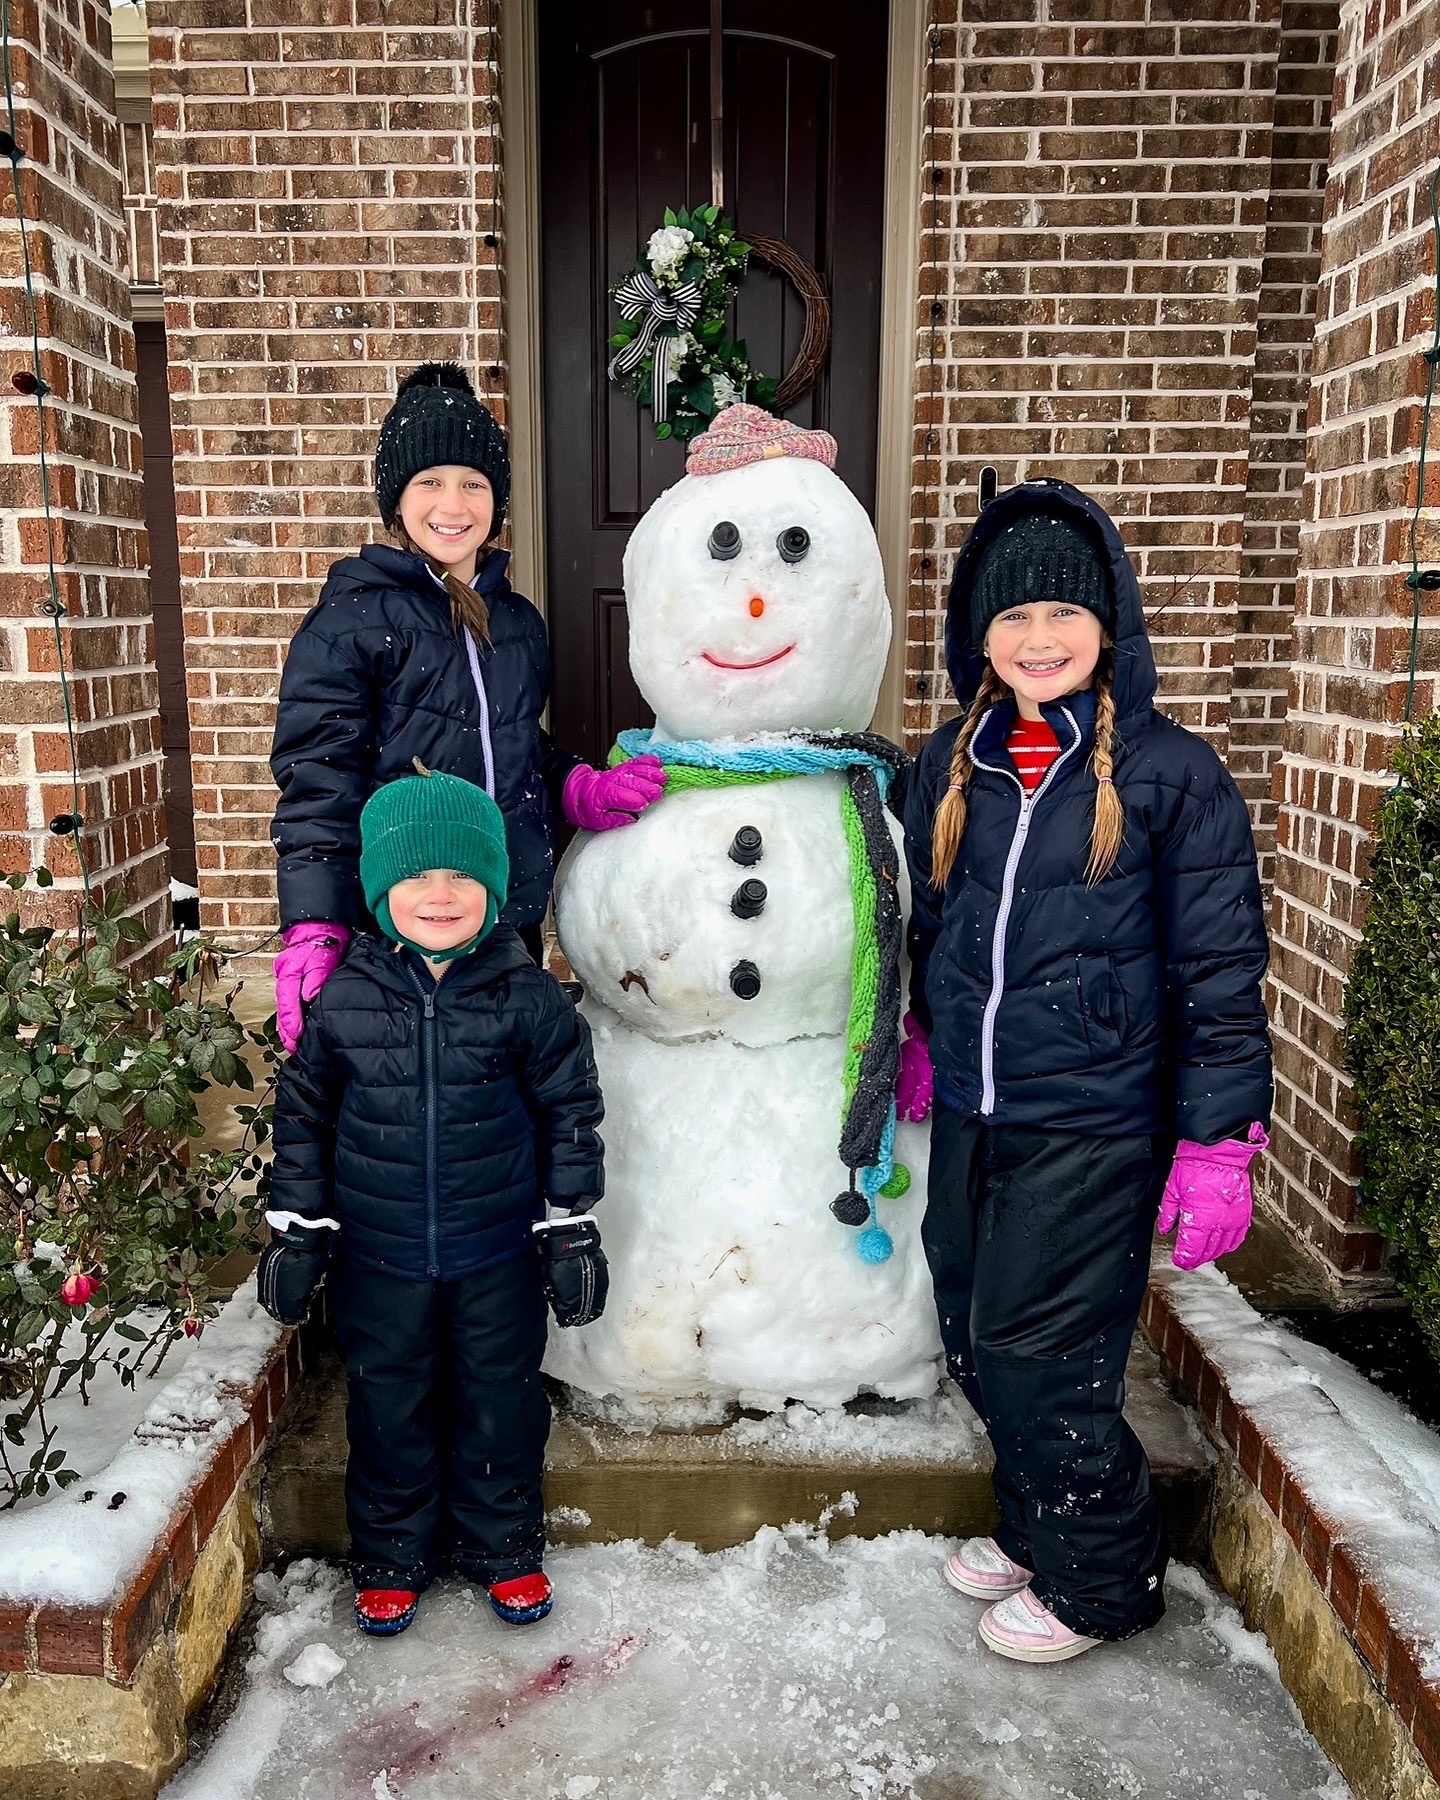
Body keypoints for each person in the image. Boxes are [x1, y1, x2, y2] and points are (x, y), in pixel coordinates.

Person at [898, 479, 1272, 1663]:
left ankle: (1103, 1574)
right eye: (1013, 619)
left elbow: (1221, 970)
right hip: (977, 1101)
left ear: (1110, 624)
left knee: (1042, 1343)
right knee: (965, 1311)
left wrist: (1218, 1142)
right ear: (980, 637)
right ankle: (1037, 1522)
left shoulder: (1172, 777)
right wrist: (922, 1033)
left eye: (1063, 613)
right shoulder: (955, 766)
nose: (1038, 639)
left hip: (1096, 1117)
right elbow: (933, 926)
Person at [257, 765, 608, 1636]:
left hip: (496, 1250)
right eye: (416, 874)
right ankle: (391, 1556)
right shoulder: (345, 997)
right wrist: (299, 1228)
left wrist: (568, 1225)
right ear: (380, 888)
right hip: (380, 1254)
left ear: (493, 887)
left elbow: (570, 1108)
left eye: (463, 875)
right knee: (389, 1405)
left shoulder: (524, 992)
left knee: (500, 1399)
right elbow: (303, 1113)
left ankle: (502, 1548)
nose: (440, 894)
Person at [269, 361, 666, 1053]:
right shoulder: (349, 624)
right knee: (408, 1099)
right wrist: (317, 921)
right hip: (402, 918)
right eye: (430, 482)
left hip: (502, 912)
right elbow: (319, 781)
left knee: (500, 1099)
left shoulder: (516, 623)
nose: (453, 504)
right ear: (395, 501)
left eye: (473, 483)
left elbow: (515, 743)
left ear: (496, 500)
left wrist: (575, 785)